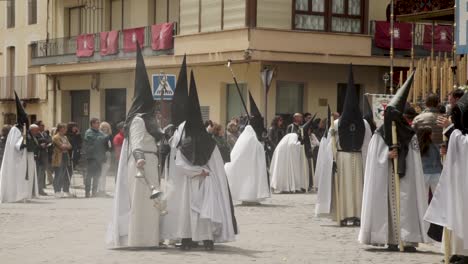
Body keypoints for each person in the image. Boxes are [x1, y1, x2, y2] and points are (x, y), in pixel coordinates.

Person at [161, 70, 237, 250]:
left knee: (187, 211)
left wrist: (195, 172)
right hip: (207, 182)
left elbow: (179, 163)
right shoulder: (209, 141)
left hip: (189, 183)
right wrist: (205, 172)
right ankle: (207, 240)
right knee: (205, 212)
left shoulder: (184, 141)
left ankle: (187, 240)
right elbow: (217, 166)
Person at [358, 73, 429, 252]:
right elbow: (373, 160)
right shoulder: (379, 134)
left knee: (407, 205)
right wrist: (386, 155)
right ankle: (390, 239)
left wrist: (403, 156)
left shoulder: (409, 134)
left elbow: (414, 159)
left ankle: (409, 239)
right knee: (389, 207)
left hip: (406, 179)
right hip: (386, 177)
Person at [107, 44, 164, 248]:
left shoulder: (150, 121)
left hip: (150, 161)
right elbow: (137, 142)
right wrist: (140, 157)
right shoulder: (140, 120)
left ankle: (152, 238)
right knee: (142, 204)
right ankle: (140, 239)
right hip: (142, 163)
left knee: (152, 204)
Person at [315, 65, 372, 226]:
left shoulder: (336, 123)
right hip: (358, 158)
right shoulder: (365, 124)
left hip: (342, 158)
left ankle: (344, 214)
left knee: (345, 188)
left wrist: (331, 159)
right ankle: (358, 214)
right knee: (357, 188)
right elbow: (368, 144)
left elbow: (329, 147)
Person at [424, 92, 468, 264]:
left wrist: (451, 130)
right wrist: (449, 147)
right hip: (460, 177)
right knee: (456, 209)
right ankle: (458, 250)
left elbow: (465, 145)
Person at [0, 92, 38, 203]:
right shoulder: (15, 129)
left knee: (23, 177)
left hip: (24, 157)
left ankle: (24, 195)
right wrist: (22, 143)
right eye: (25, 117)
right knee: (16, 177)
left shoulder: (24, 129)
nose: (27, 119)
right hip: (16, 159)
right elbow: (13, 145)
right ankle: (16, 196)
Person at [84, 118, 108, 198]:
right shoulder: (88, 132)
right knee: (89, 175)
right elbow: (94, 140)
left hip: (99, 157)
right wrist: (103, 137)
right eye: (97, 123)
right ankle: (87, 192)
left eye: (99, 123)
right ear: (92, 124)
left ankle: (94, 192)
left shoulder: (100, 132)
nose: (98, 124)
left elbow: (105, 139)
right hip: (91, 157)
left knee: (97, 175)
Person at [416, 127, 442, 198]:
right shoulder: (434, 146)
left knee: (423, 196)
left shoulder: (418, 147)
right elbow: (438, 160)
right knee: (438, 196)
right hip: (436, 172)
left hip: (423, 173)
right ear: (429, 135)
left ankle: (424, 209)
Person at [52, 123, 73, 198]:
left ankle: (61, 190)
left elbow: (70, 146)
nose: (66, 130)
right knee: (58, 174)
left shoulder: (65, 137)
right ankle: (56, 190)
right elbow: (61, 146)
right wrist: (65, 146)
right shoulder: (56, 137)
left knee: (63, 174)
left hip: (65, 156)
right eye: (64, 128)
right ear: (60, 129)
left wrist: (66, 146)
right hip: (58, 157)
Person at [35, 121, 51, 196]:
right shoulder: (36, 134)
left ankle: (41, 188)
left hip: (45, 154)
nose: (43, 126)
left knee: (42, 173)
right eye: (42, 125)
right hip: (39, 156)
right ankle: (38, 189)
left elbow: (49, 140)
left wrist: (46, 143)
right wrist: (42, 144)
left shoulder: (44, 133)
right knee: (39, 173)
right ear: (37, 126)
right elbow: (37, 143)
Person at [98, 121, 113, 196]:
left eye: (106, 127)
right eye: (103, 127)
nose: (105, 128)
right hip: (102, 157)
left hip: (108, 156)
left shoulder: (109, 136)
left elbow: (110, 147)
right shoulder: (99, 136)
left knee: (104, 174)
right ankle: (100, 190)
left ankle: (103, 190)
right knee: (101, 174)